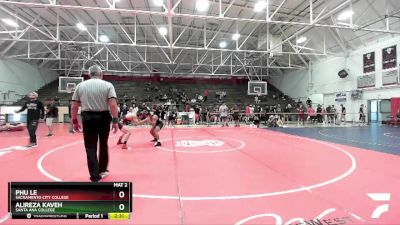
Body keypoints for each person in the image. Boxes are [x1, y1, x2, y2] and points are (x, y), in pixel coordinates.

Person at [71, 65, 119, 182]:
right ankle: (102, 170)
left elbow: (74, 106)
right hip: (104, 117)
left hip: (88, 118)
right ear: (101, 74)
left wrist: (75, 121)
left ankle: (94, 176)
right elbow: (113, 105)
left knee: (90, 147)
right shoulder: (108, 85)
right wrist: (115, 121)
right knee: (103, 144)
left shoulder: (80, 86)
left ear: (89, 74)